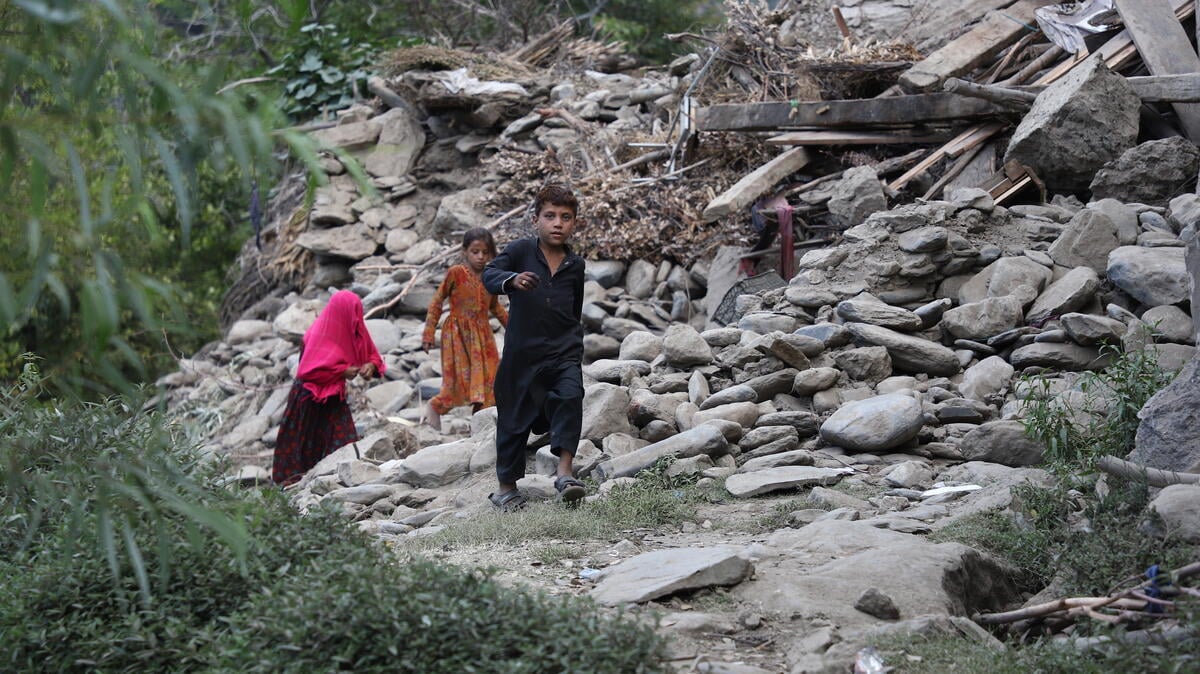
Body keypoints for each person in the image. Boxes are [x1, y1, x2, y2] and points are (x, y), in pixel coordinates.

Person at [481, 184, 588, 510]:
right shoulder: (520, 250)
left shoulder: (576, 265)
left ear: (574, 224)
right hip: (521, 356)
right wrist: (511, 280)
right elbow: (490, 274)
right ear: (535, 219)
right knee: (513, 422)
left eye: (566, 218)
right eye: (550, 216)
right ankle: (506, 489)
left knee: (571, 396)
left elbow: (575, 308)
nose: (558, 223)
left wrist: (574, 342)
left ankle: (565, 473)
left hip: (563, 351)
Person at [272, 290, 384, 485]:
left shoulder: (352, 326)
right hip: (309, 399)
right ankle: (296, 493)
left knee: (344, 444)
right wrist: (341, 372)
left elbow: (371, 352)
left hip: (333, 397)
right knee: (303, 451)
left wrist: (370, 365)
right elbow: (307, 371)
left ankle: (342, 485)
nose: (355, 318)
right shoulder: (318, 333)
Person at [421, 228, 509, 429]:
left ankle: (480, 426)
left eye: (485, 252)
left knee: (490, 382)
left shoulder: (490, 276)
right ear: (464, 252)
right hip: (457, 336)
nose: (480, 257)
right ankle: (435, 408)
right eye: (475, 251)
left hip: (483, 338)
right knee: (458, 382)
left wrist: (515, 328)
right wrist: (428, 333)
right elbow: (437, 301)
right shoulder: (456, 273)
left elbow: (495, 306)